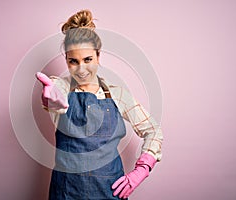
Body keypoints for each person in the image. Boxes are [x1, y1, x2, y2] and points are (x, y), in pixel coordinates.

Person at [36, 9, 163, 200]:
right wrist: (50, 98)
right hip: (65, 192)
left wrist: (142, 169)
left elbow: (153, 131)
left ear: (98, 56)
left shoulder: (117, 94)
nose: (82, 69)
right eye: (73, 61)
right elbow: (55, 92)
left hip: (109, 192)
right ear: (66, 61)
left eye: (88, 59)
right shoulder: (60, 86)